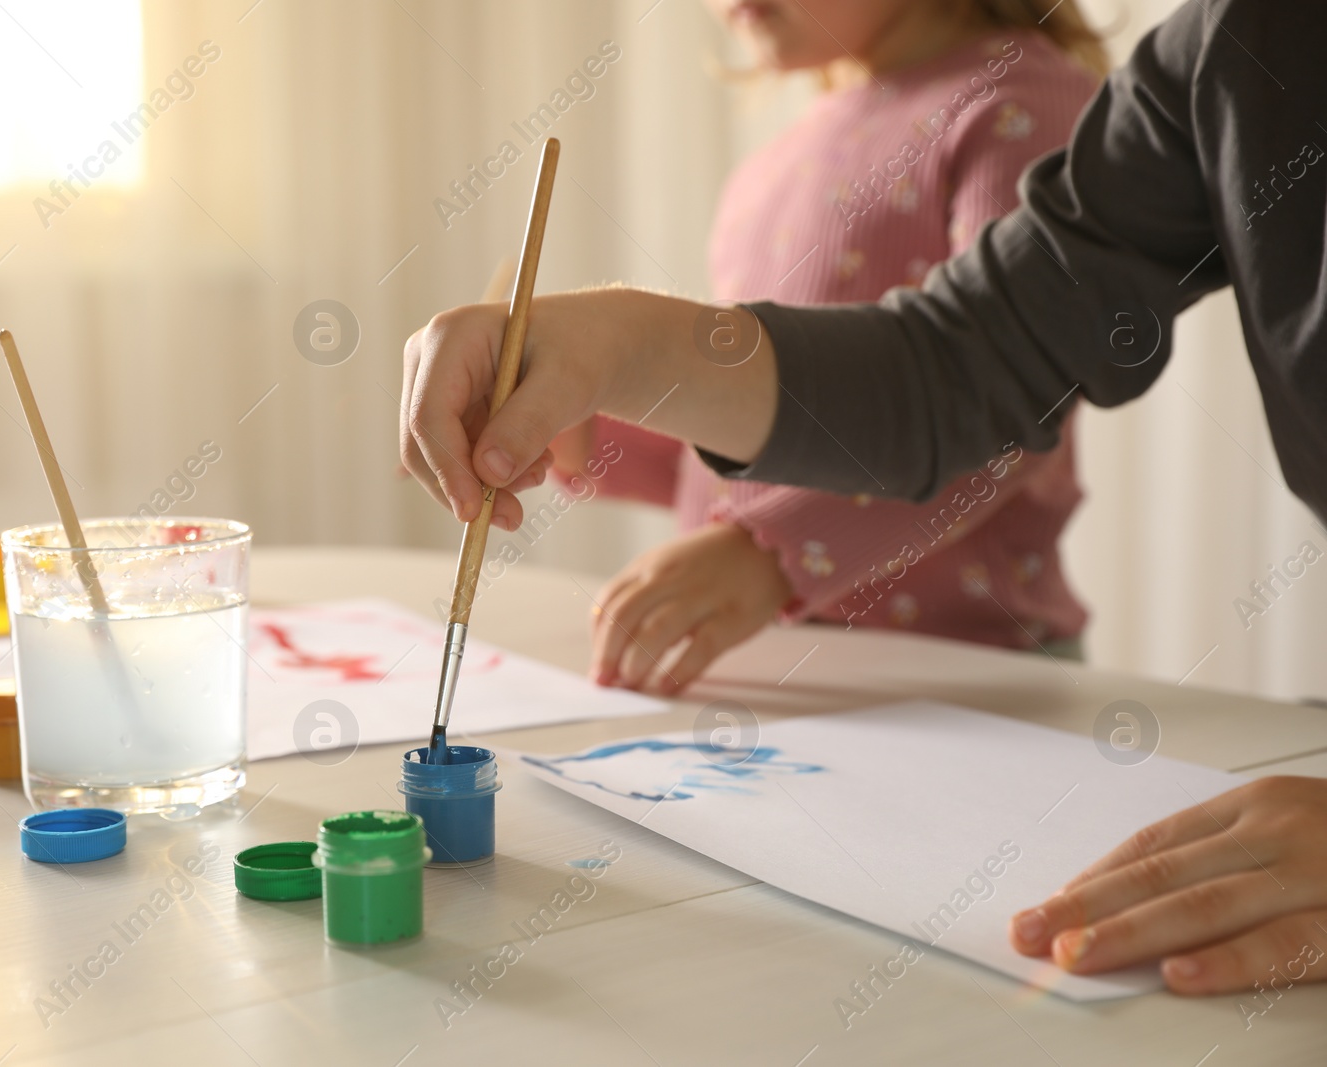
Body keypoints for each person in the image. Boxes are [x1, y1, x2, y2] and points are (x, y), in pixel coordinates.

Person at [398, 0, 1327, 996]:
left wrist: (770, 551)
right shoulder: (1242, 42)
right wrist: (608, 374)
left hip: (971, 695)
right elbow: (965, 365)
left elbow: (1008, 420)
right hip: (799, 700)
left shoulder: (1016, 103)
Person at [552, 0, 1103, 697]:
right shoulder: (777, 159)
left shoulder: (1019, 102)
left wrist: (769, 556)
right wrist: (583, 424)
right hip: (788, 673)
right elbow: (758, 441)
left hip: (968, 679)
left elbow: (1014, 405)